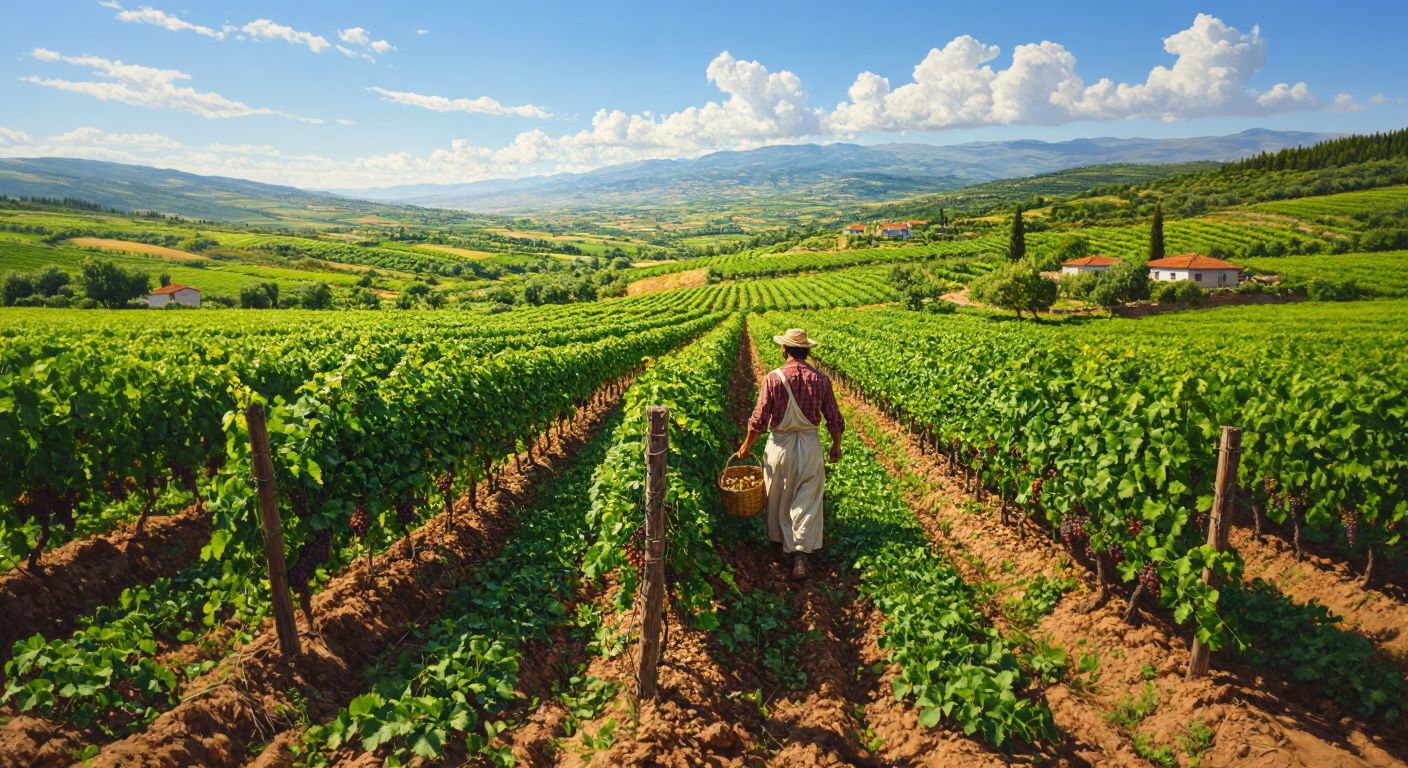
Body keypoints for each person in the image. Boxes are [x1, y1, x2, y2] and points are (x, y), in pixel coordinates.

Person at [735, 328, 844, 580]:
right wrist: (835, 446)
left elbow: (759, 420)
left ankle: (780, 547)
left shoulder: (773, 379)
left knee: (779, 497)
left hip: (780, 447)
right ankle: (800, 555)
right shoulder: (821, 380)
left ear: (784, 349)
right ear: (807, 351)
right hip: (809, 445)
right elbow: (834, 419)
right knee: (807, 500)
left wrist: (747, 446)